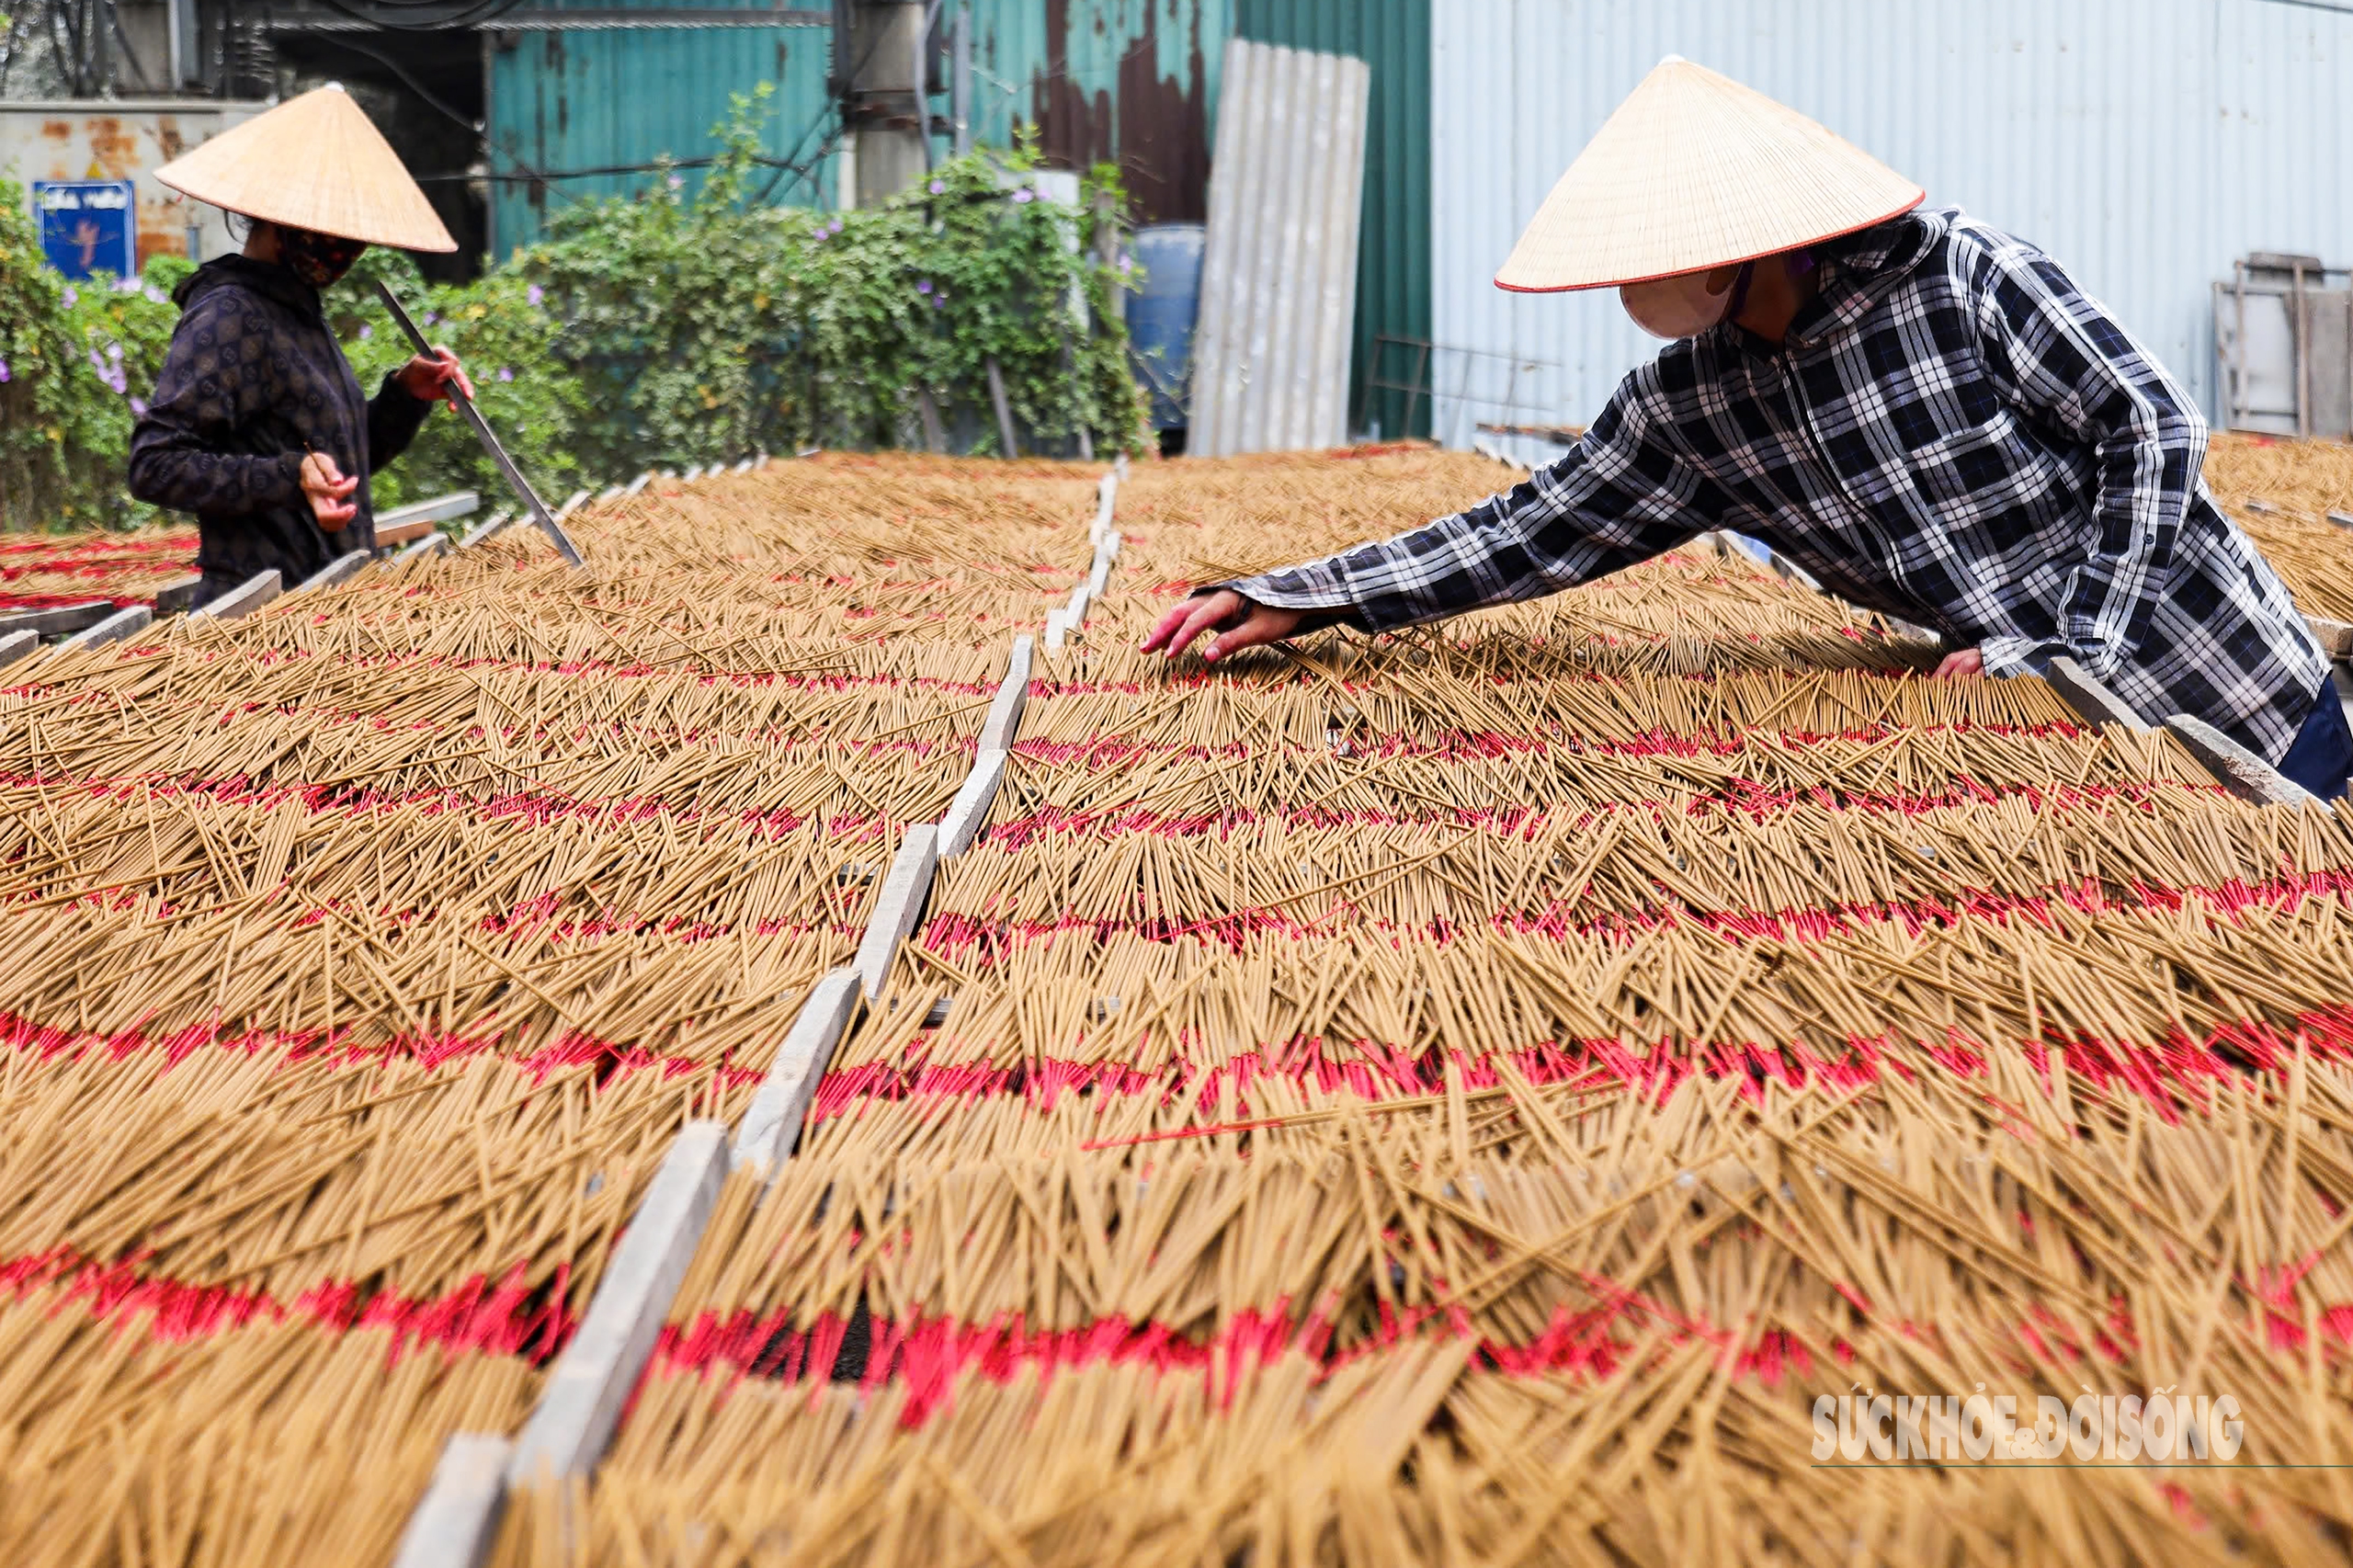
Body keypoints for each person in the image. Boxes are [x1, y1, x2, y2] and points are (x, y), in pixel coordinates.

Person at [1144, 57, 2352, 801]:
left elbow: (2148, 428)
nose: (1641, 289)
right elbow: (1528, 528)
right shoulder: (1696, 410)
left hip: (2236, 691)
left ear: (1753, 236)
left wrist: (2074, 651)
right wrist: (1311, 593)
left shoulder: (1964, 280)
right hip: (2079, 766)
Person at [129, 85, 474, 606]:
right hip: (256, 620)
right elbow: (155, 465)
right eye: (326, 227)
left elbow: (341, 469)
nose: (344, 248)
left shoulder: (298, 310)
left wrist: (405, 396)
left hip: (324, 610)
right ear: (276, 217)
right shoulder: (229, 313)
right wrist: (288, 476)